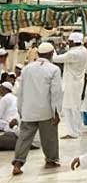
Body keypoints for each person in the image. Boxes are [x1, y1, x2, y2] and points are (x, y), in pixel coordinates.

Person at [12, 42, 62, 175]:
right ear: (51, 54)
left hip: (28, 110)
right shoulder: (54, 69)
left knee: (24, 138)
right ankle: (51, 160)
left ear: (39, 54)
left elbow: (20, 92)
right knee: (49, 137)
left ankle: (17, 164)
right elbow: (55, 93)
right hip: (45, 110)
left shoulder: (27, 69)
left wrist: (20, 109)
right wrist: (56, 113)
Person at [52, 31, 87, 139]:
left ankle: (73, 132)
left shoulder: (73, 53)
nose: (68, 43)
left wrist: (52, 49)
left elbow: (55, 59)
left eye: (70, 41)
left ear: (73, 41)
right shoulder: (83, 51)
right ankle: (76, 129)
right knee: (76, 106)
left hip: (71, 83)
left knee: (69, 108)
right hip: (78, 82)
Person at [0, 82, 19, 150]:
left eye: (1, 88)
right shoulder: (14, 97)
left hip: (9, 123)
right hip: (14, 122)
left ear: (5, 89)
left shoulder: (5, 98)